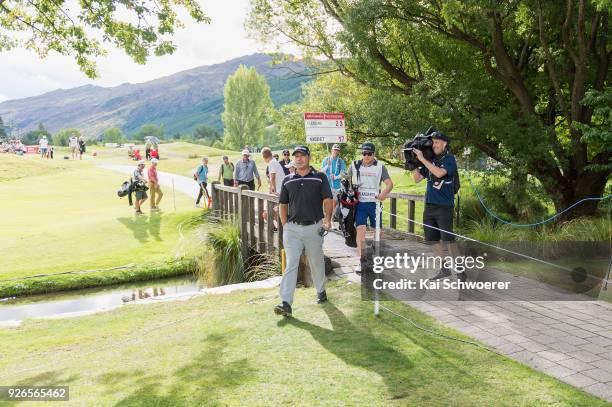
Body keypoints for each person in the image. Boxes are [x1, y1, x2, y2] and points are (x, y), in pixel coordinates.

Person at [274, 145, 333, 317]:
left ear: (309, 158)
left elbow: (328, 200)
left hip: (314, 228)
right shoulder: (288, 180)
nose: (299, 159)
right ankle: (286, 303)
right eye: (296, 156)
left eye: (302, 156)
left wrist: (327, 220)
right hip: (292, 229)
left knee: (316, 262)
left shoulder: (320, 177)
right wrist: (285, 225)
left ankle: (321, 290)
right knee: (291, 264)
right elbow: (282, 205)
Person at [411, 131, 462, 281]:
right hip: (430, 206)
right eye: (433, 142)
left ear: (445, 143)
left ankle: (460, 270)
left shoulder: (449, 159)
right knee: (432, 239)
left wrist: (422, 159)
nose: (435, 144)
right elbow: (417, 178)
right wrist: (413, 163)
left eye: (438, 142)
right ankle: (444, 268)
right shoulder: (431, 160)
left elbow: (440, 173)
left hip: (444, 206)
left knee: (448, 239)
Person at [349, 142, 394, 273]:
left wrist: (384, 194)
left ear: (374, 154)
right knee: (361, 231)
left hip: (375, 204)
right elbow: (345, 178)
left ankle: (377, 258)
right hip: (361, 204)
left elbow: (389, 184)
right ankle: (362, 261)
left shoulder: (380, 167)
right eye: (364, 153)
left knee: (378, 233)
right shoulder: (355, 165)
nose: (366, 156)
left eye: (369, 154)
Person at [321, 144, 346, 225]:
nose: (335, 151)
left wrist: (335, 177)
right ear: (332, 150)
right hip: (327, 185)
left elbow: (343, 173)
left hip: (336, 185)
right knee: (327, 203)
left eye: (337, 150)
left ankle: (330, 221)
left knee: (334, 204)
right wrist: (327, 166)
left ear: (338, 152)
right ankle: (326, 219)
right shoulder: (326, 159)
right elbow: (321, 172)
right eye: (334, 149)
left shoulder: (340, 161)